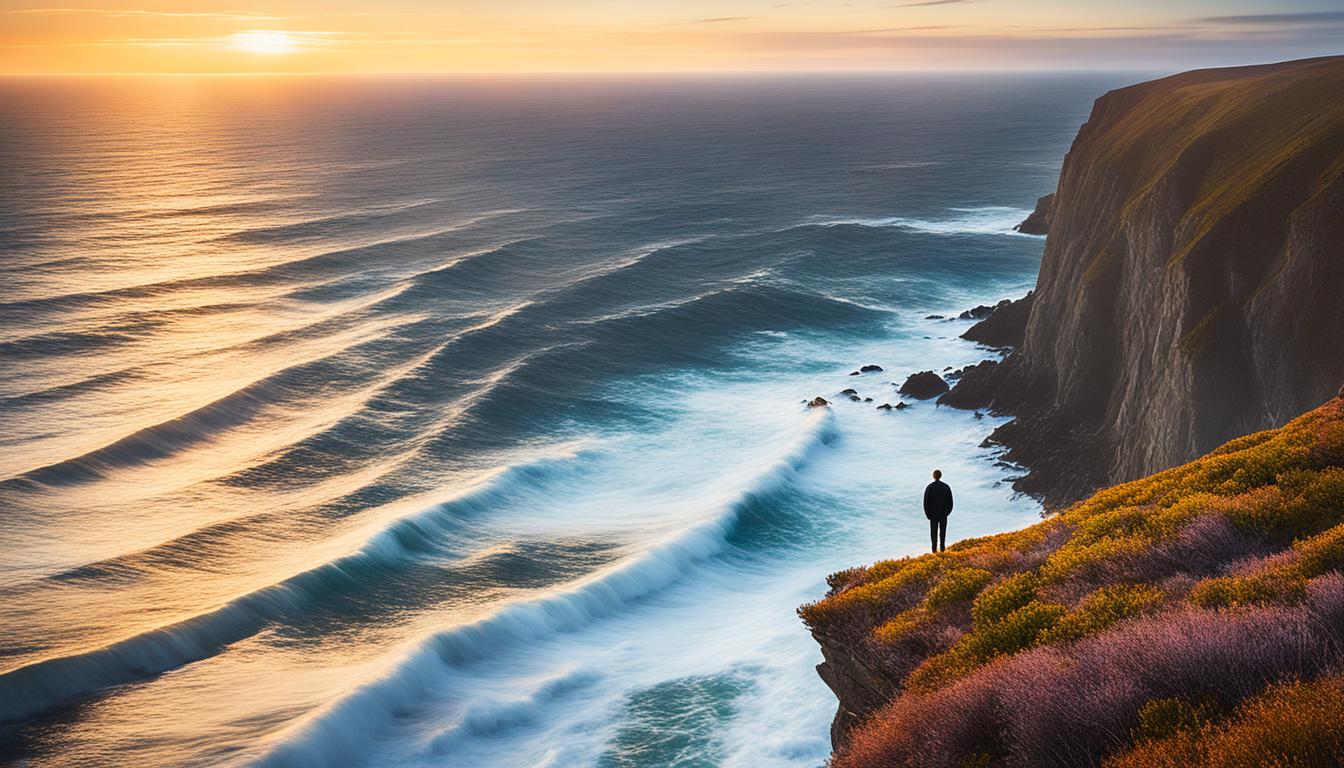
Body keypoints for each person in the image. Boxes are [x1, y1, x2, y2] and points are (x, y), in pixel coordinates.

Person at [923, 469, 953, 553]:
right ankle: (942, 549)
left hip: (933, 515)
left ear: (933, 476)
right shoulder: (946, 487)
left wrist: (928, 514)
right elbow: (950, 502)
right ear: (941, 476)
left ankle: (934, 550)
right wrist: (947, 513)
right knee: (942, 533)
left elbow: (926, 502)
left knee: (933, 533)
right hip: (943, 514)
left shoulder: (930, 487)